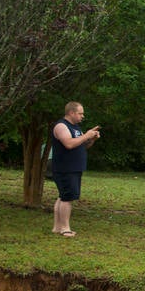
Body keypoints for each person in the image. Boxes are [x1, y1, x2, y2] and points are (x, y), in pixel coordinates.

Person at [51, 101, 100, 237]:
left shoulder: (76, 127)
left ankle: (57, 227)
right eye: (80, 113)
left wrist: (92, 138)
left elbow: (81, 145)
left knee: (63, 196)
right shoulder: (61, 126)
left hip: (74, 167)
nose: (82, 116)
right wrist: (87, 135)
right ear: (71, 113)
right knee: (67, 197)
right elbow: (69, 144)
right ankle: (65, 228)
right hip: (65, 168)